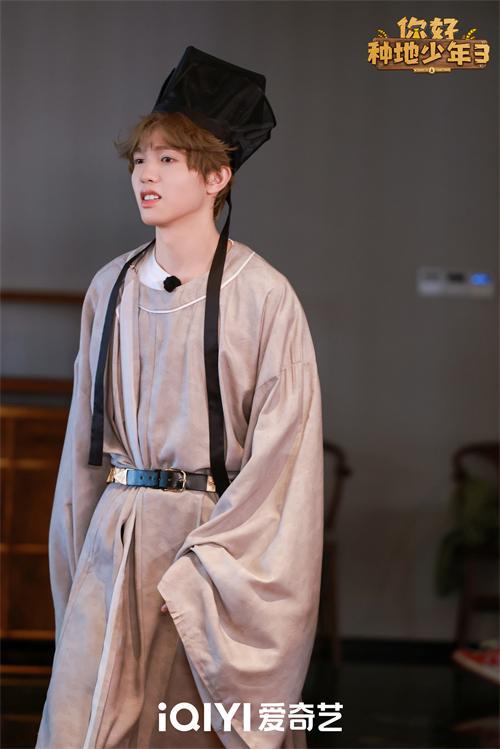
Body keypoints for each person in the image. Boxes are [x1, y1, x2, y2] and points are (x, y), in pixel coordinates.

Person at [35, 46, 324, 749]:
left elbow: (284, 459)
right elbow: (84, 444)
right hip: (116, 540)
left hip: (210, 547)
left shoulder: (264, 295)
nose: (146, 174)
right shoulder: (110, 287)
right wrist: (78, 552)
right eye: (140, 159)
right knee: (84, 721)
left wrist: (213, 563)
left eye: (168, 159)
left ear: (218, 175)